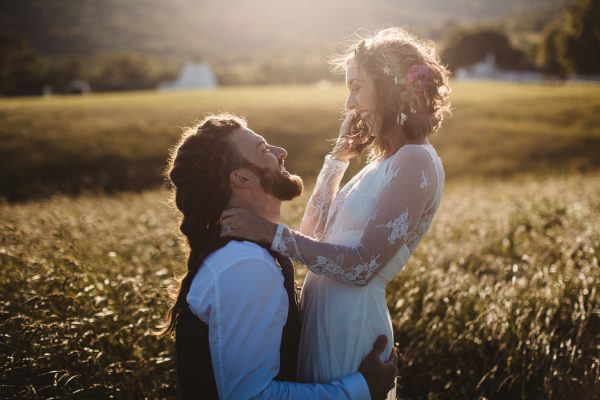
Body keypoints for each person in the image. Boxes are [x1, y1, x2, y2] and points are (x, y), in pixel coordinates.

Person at [219, 27, 451, 399]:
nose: (349, 103)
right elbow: (312, 232)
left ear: (389, 86)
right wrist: (337, 160)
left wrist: (269, 233)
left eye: (357, 86)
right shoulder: (384, 164)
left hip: (351, 325)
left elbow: (361, 267)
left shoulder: (415, 161)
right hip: (322, 319)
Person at [162, 114, 398, 399]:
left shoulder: (249, 253)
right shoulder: (246, 266)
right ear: (242, 177)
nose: (280, 152)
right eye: (263, 149)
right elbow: (250, 396)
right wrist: (360, 389)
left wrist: (339, 157)